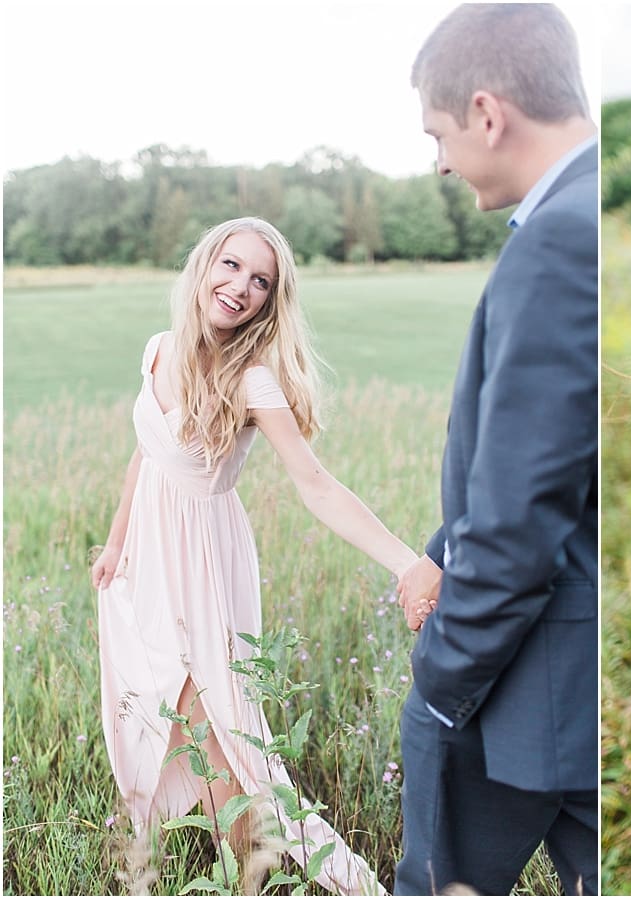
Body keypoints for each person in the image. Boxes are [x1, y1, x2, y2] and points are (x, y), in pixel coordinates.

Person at [92, 216, 416, 895]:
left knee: (220, 732)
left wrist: (406, 562)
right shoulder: (158, 349)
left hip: (206, 565)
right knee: (163, 708)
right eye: (232, 266)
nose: (241, 287)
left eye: (260, 280)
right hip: (149, 556)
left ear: (271, 300)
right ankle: (217, 861)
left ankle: (293, 874)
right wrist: (118, 541)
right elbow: (146, 453)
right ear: (205, 264)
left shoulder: (253, 381)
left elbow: (317, 484)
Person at [389, 4, 599, 896]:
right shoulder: (595, 211)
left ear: (486, 113)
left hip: (530, 690)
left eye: (439, 132)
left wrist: (440, 682)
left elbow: (522, 519)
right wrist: (442, 547)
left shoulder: (557, 242)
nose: (438, 160)